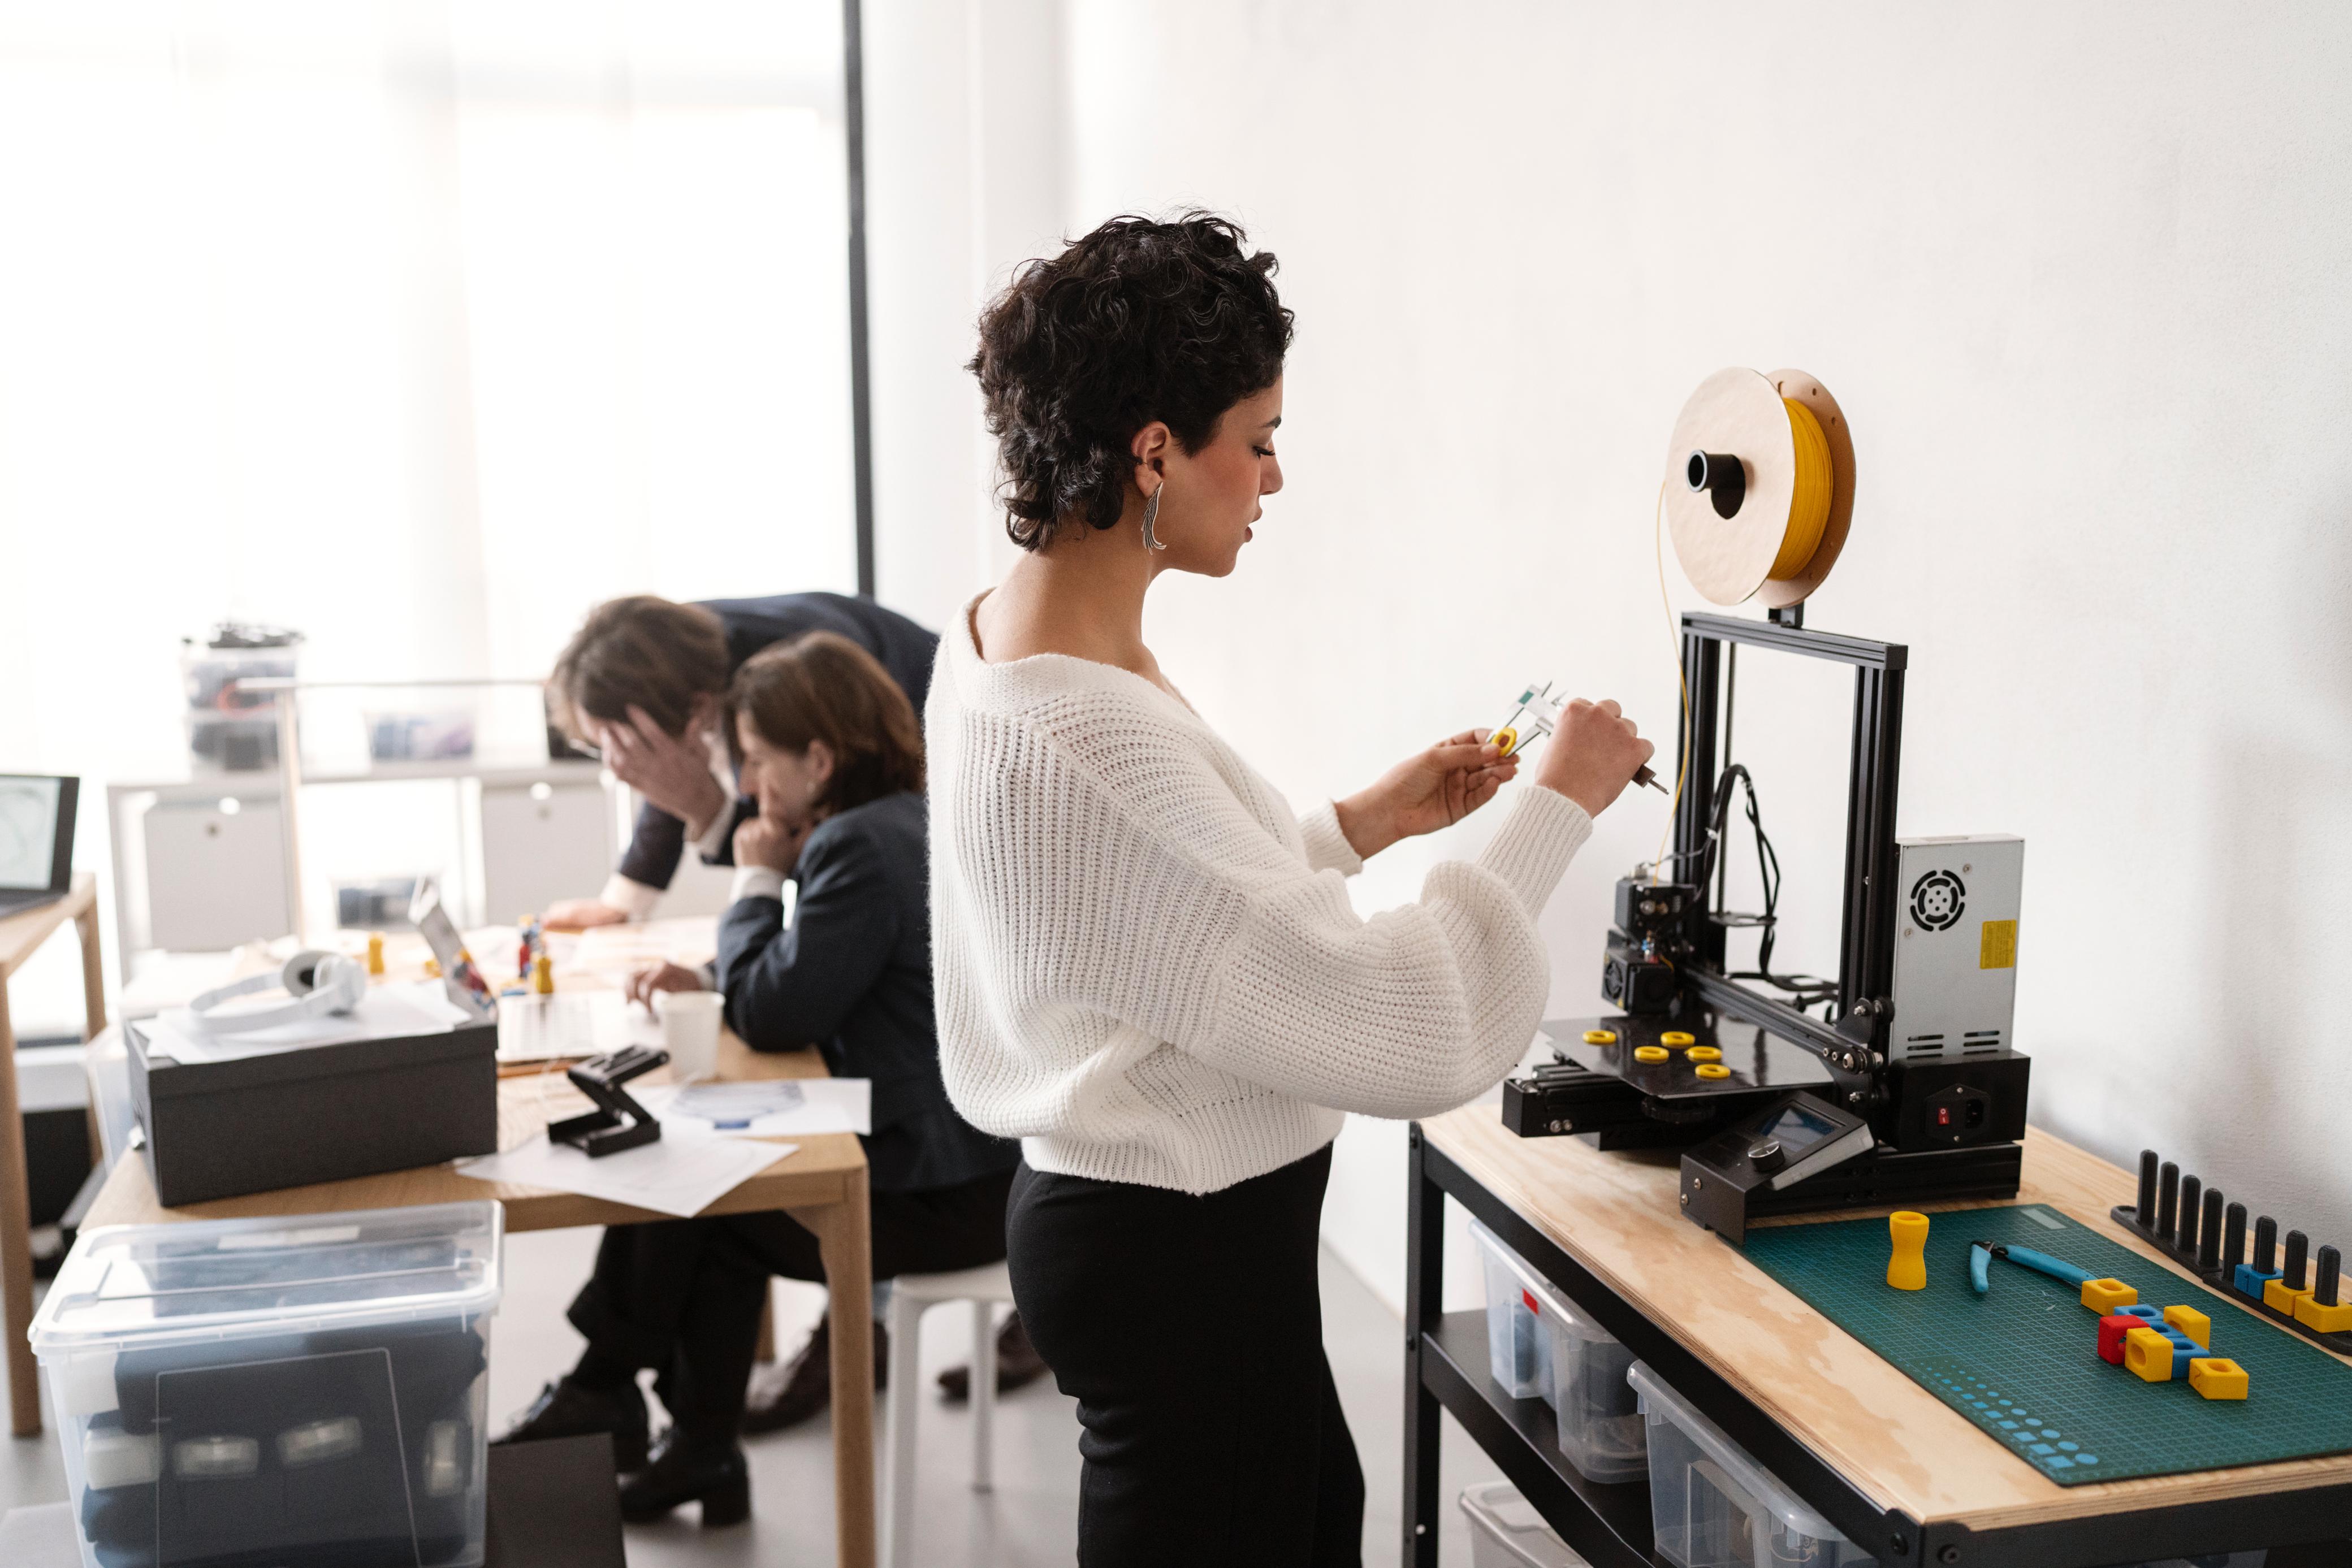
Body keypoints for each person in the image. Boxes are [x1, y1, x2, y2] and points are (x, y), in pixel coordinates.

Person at [929, 213, 1655, 1566]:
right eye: (1258, 439)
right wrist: (1558, 804)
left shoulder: (1000, 638)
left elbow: (1140, 919)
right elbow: (1411, 1023)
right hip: (1176, 1256)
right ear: (1154, 451)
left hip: (1162, 1243)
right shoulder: (1086, 736)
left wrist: (1357, 825)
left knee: (1320, 1508)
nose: (1275, 475)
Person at [499, 633, 1021, 1524]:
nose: (744, 785)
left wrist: (752, 880)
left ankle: (628, 1403)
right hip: (976, 1166)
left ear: (818, 759)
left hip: (946, 1194)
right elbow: (815, 969)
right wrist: (716, 973)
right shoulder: (898, 820)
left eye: (755, 760)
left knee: (695, 1196)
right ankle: (667, 1429)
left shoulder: (857, 845)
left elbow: (778, 1012)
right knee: (696, 1188)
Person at [541, 591, 938, 930]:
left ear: (698, 710)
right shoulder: (672, 657)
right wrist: (623, 902)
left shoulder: (792, 680)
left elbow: (825, 848)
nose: (618, 766)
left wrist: (707, 809)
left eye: (623, 747)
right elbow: (673, 769)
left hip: (934, 720)